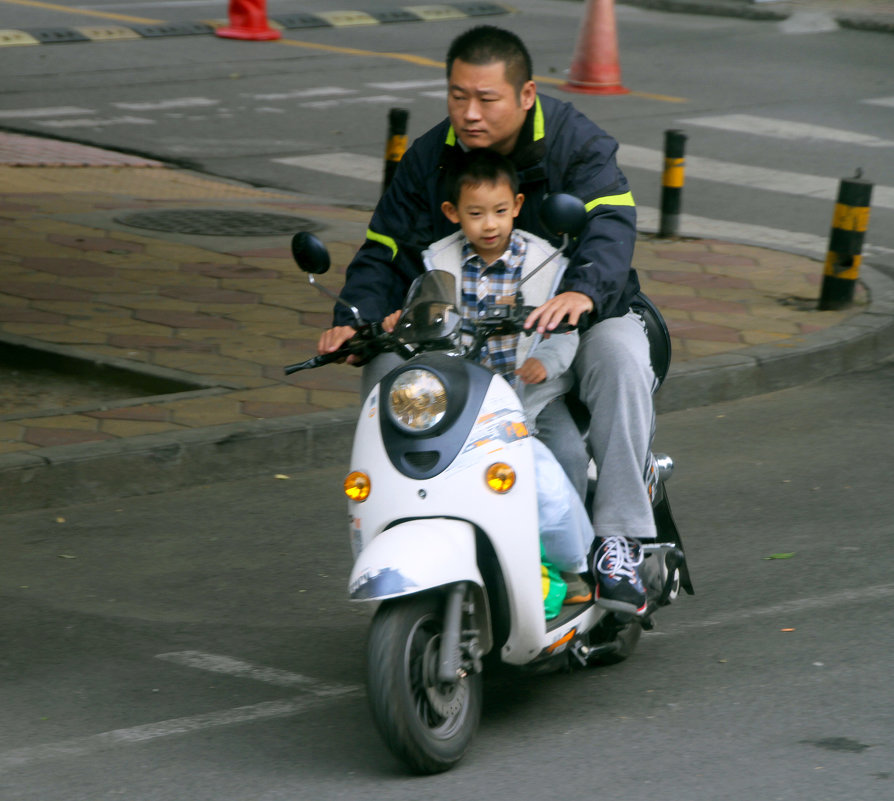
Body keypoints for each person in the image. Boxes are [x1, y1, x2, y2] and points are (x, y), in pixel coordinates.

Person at [318, 25, 656, 616]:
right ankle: (399, 516)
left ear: (526, 95)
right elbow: (384, 251)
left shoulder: (577, 142)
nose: (468, 114)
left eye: (486, 99)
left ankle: (618, 540)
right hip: (465, 331)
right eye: (457, 97)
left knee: (622, 355)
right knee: (386, 362)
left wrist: (582, 292)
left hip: (580, 313)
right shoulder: (429, 158)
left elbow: (610, 225)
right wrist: (356, 319)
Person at [422, 147, 593, 603]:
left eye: (500, 211)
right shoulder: (437, 263)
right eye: (475, 213)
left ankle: (571, 567)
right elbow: (424, 323)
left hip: (532, 398)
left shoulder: (546, 262)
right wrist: (401, 323)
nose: (489, 224)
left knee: (566, 461)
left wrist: (546, 362)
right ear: (452, 212)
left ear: (518, 205)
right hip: (467, 405)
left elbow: (567, 331)